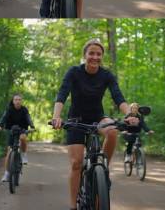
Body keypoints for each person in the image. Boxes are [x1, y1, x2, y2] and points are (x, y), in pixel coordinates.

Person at [50, 39, 139, 210]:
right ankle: (72, 206)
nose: (95, 57)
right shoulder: (74, 72)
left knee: (112, 130)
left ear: (102, 57)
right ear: (85, 55)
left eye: (98, 54)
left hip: (98, 117)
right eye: (91, 53)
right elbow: (62, 94)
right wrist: (57, 117)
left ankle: (103, 171)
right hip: (75, 119)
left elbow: (118, 97)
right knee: (76, 164)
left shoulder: (107, 75)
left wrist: (128, 114)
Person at [0, 93, 34, 182]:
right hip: (11, 131)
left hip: (22, 130)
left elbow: (28, 118)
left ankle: (24, 154)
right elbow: (4, 118)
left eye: (19, 100)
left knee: (23, 138)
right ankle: (6, 173)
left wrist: (32, 126)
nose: (17, 101)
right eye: (16, 99)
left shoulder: (24, 110)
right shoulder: (9, 109)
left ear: (21, 101)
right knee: (9, 152)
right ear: (13, 101)